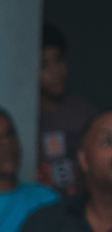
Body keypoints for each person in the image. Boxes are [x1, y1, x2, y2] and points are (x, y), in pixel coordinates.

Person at [37, 23, 97, 197]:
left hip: (83, 204)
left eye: (60, 60)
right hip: (44, 206)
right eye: (43, 65)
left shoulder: (85, 112)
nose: (55, 71)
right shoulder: (29, 118)